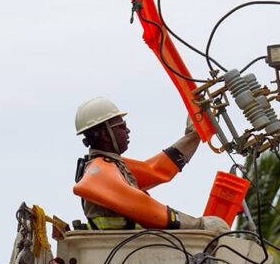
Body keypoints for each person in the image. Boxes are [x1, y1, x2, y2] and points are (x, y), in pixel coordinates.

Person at [72, 97, 230, 233]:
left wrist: (192, 137)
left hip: (126, 252)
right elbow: (141, 204)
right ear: (106, 134)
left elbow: (156, 170)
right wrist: (197, 225)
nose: (127, 130)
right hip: (121, 255)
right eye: (120, 126)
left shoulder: (112, 166)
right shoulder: (99, 172)